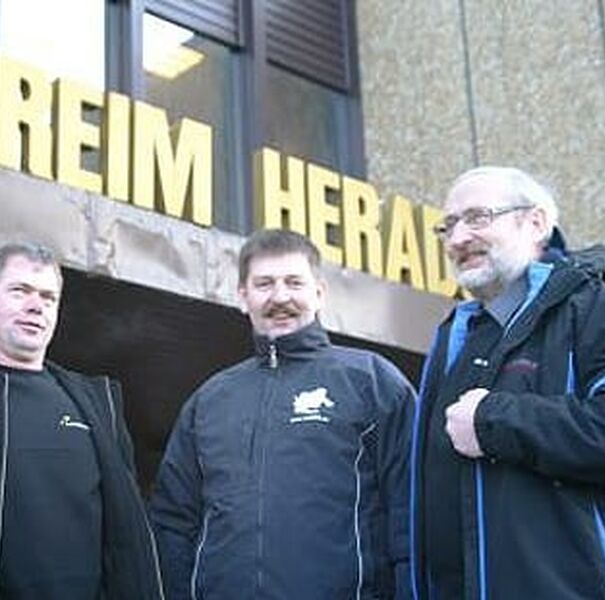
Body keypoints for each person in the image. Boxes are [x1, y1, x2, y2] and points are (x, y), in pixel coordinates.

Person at [409, 166, 605, 599]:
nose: (457, 239)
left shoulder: (593, 309)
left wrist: (496, 421)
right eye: (449, 225)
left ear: (535, 223)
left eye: (477, 217)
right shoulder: (456, 336)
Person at [149, 229, 415, 599]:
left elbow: (412, 512)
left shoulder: (372, 381)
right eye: (264, 284)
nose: (280, 297)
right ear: (242, 296)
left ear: (319, 292)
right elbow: (173, 523)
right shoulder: (209, 400)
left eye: (294, 282)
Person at [0, 242, 163, 599]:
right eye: (20, 291)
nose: (36, 306)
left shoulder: (98, 408)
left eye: (48, 298)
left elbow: (128, 544)